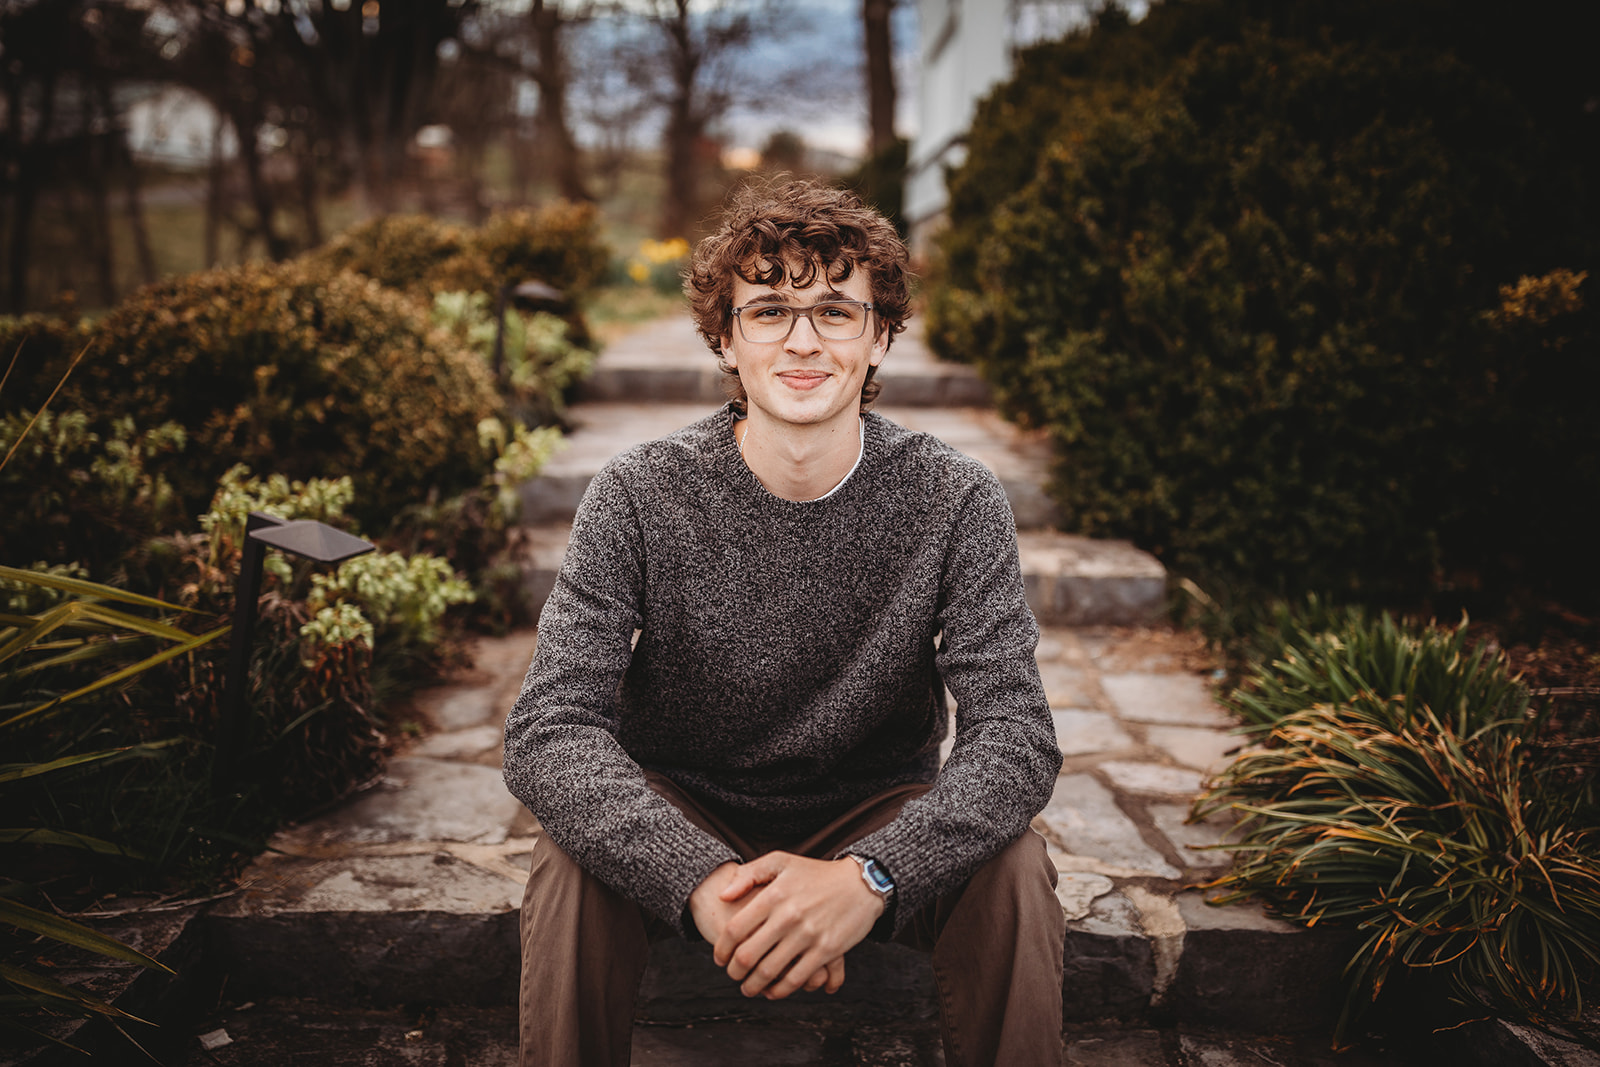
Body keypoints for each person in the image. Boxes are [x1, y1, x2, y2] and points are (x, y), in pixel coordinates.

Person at [502, 178, 1065, 1067]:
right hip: (683, 800)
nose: (803, 340)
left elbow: (1017, 737)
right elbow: (550, 727)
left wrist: (871, 878)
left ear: (879, 336)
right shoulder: (639, 493)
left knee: (1017, 869)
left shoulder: (956, 498)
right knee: (568, 866)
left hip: (877, 810)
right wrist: (698, 878)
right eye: (769, 309)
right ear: (726, 337)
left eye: (836, 311)